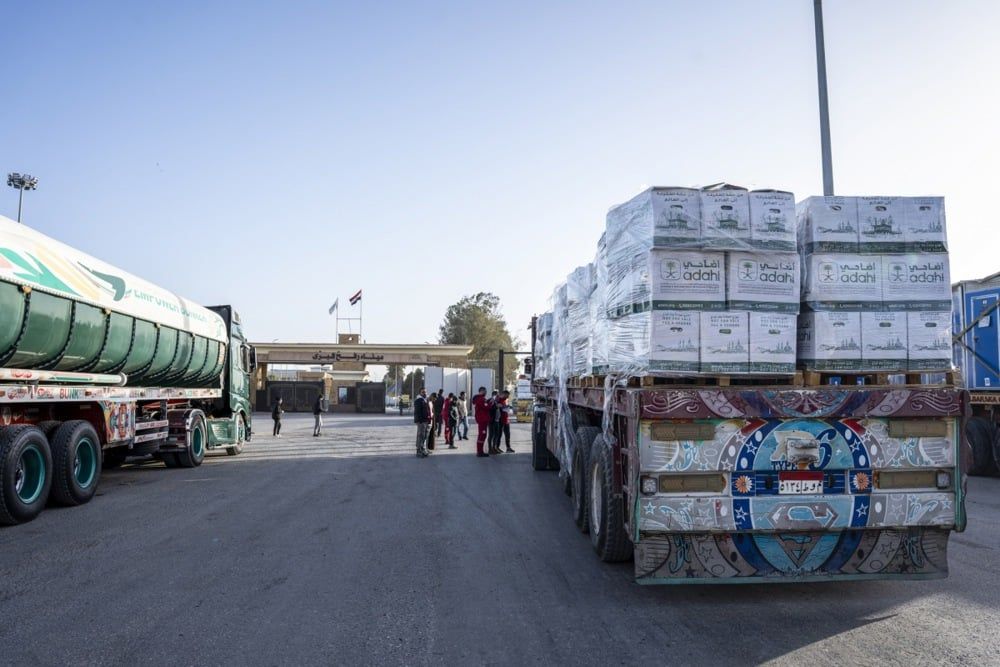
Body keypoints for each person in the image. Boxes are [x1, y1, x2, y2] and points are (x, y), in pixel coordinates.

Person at [471, 386, 490, 457]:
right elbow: (486, 407)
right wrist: (490, 404)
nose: (486, 392)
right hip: (482, 419)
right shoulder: (481, 399)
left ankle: (480, 451)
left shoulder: (481, 399)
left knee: (482, 435)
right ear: (481, 391)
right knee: (482, 435)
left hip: (482, 419)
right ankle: (480, 452)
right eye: (485, 391)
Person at [413, 388, 431, 458]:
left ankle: (422, 449)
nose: (425, 393)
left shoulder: (425, 400)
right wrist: (419, 421)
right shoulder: (418, 400)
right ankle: (418, 451)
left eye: (426, 392)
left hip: (425, 421)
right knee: (420, 436)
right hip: (421, 421)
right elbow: (417, 412)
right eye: (423, 392)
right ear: (420, 393)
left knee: (424, 436)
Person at [487, 390, 501, 454]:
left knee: (496, 434)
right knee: (491, 435)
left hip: (497, 420)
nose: (498, 397)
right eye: (497, 395)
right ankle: (490, 449)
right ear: (494, 395)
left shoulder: (496, 401)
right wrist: (496, 406)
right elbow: (489, 409)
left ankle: (494, 448)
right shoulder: (490, 401)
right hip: (492, 421)